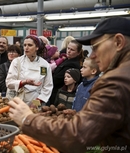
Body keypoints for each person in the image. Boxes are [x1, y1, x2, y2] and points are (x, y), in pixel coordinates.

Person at [8, 17, 130, 153]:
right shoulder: (123, 75)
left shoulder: (116, 81)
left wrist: (27, 118)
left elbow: (76, 135)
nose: (93, 55)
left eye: (96, 47)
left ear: (118, 42)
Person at [6, 35, 53, 105]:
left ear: (37, 47)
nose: (26, 48)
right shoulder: (17, 62)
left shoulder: (44, 65)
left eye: (30, 45)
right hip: (18, 101)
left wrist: (37, 102)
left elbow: (48, 86)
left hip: (36, 102)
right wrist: (24, 82)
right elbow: (9, 83)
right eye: (24, 45)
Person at [49, 39, 83, 105]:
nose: (69, 51)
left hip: (60, 96)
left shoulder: (73, 65)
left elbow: (57, 79)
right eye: (68, 48)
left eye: (72, 50)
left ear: (78, 53)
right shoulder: (66, 60)